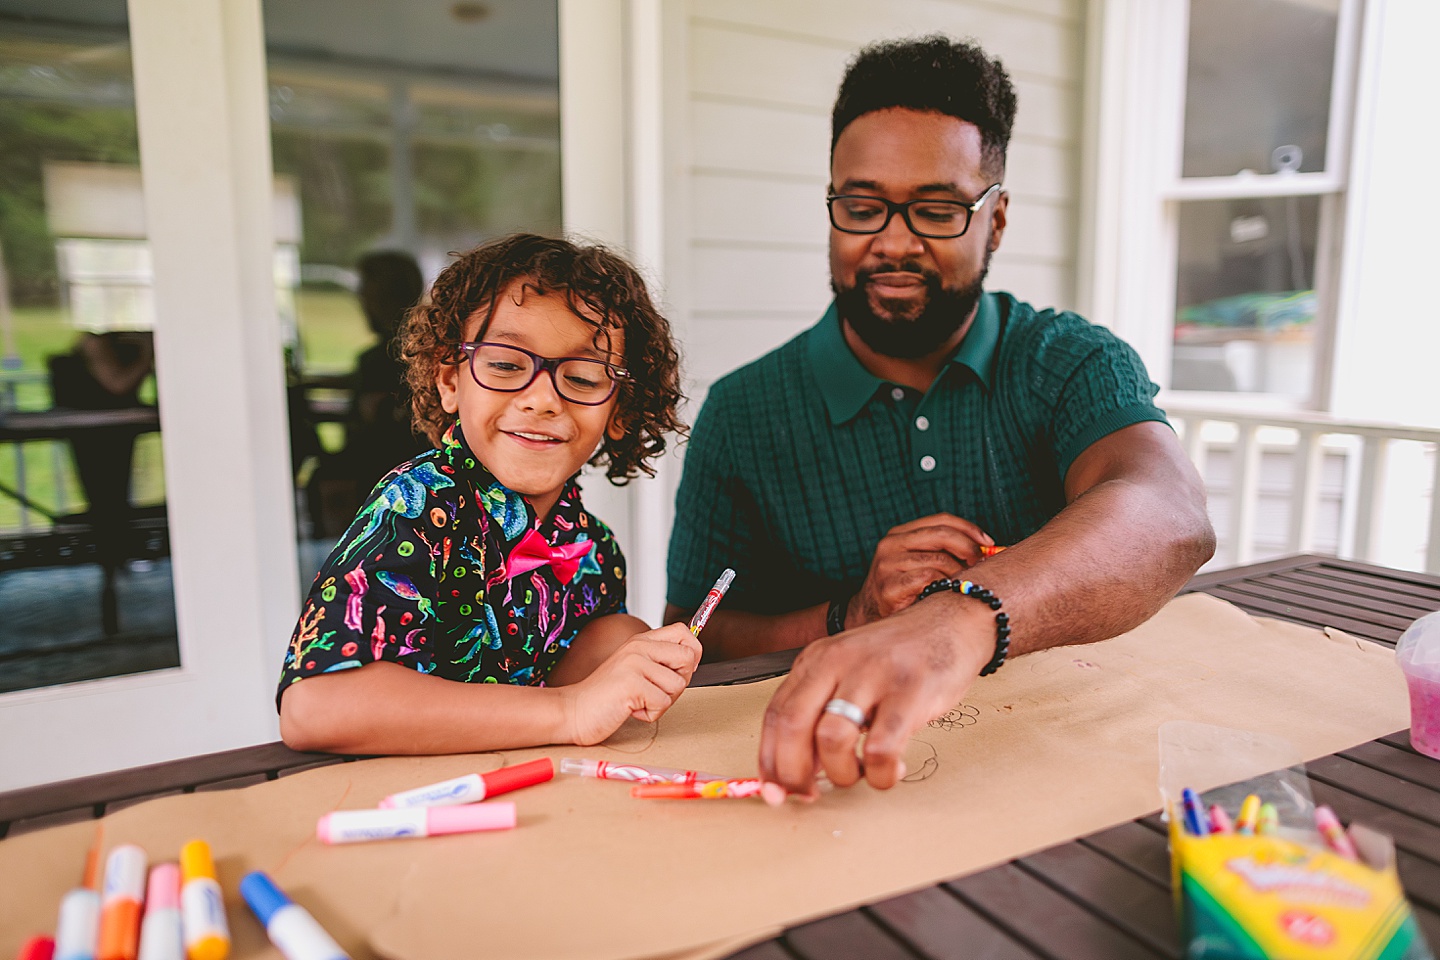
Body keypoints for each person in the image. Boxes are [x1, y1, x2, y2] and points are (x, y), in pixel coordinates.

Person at [663, 37, 1215, 794]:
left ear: (998, 219)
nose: (892, 241)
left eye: (937, 209)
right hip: (835, 788)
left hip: (1062, 775)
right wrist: (851, 613)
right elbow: (699, 635)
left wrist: (960, 617)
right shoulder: (743, 410)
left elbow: (1169, 512)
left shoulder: (1069, 362)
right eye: (862, 206)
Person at [278, 234, 700, 755]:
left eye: (585, 376)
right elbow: (314, 707)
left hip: (532, 797)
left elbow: (582, 689)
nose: (543, 399)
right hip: (409, 802)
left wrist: (624, 672)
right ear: (451, 382)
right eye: (505, 364)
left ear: (621, 411)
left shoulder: (594, 552)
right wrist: (570, 711)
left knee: (620, 637)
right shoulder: (418, 507)